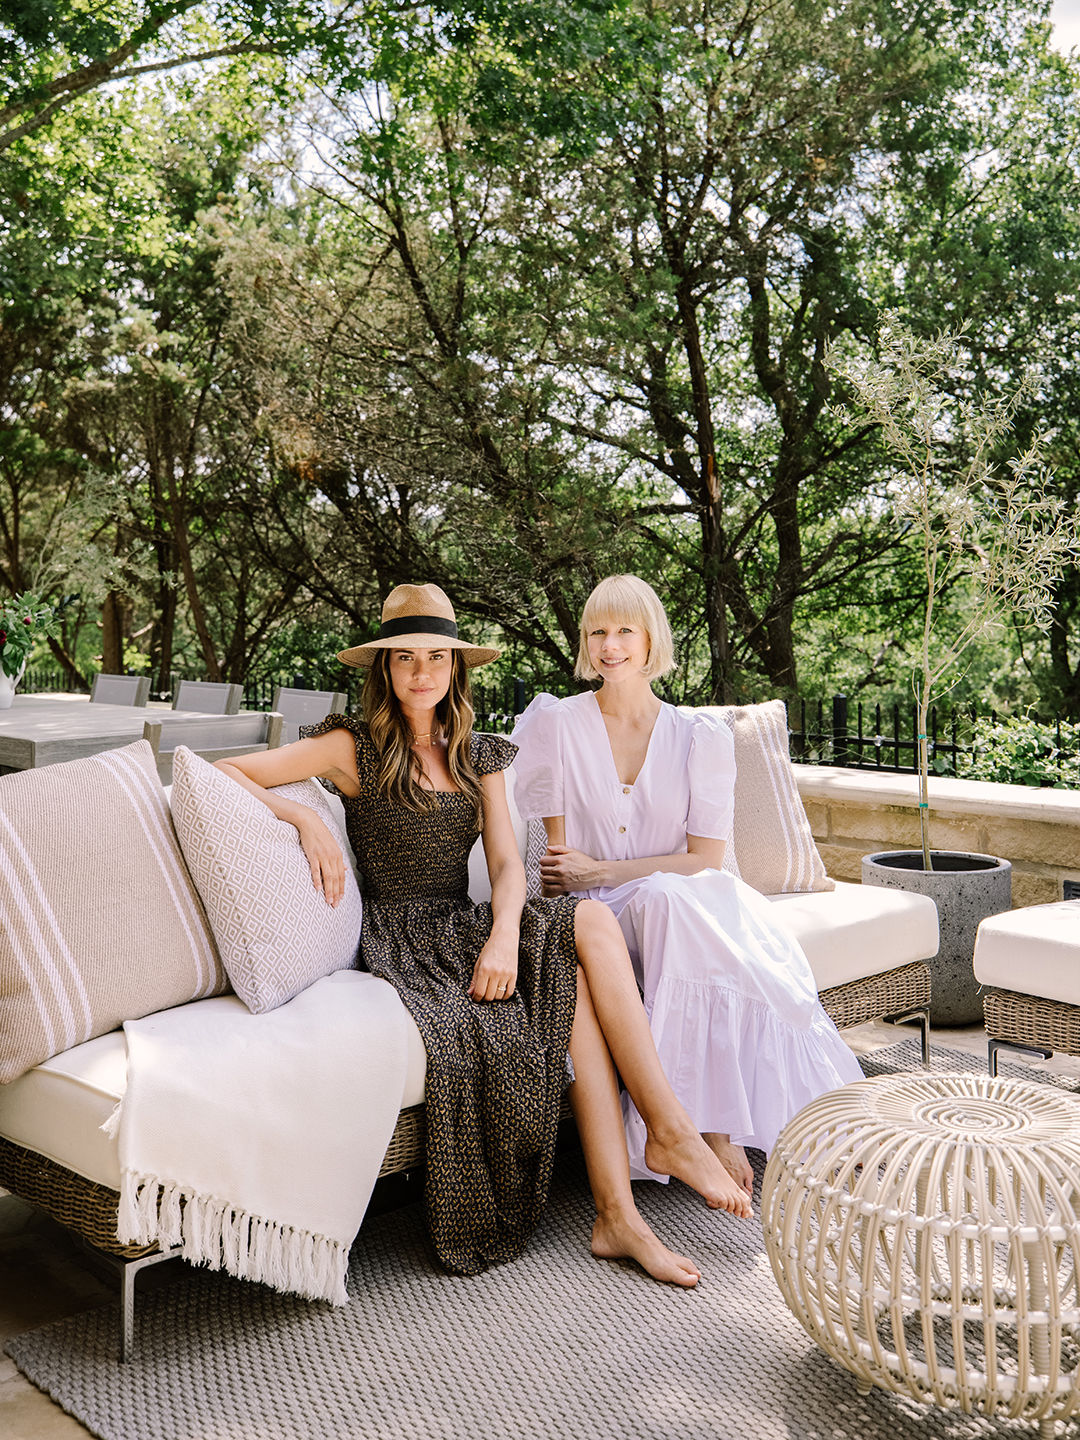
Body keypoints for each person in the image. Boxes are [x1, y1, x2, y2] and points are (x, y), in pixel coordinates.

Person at [215, 583, 751, 1290]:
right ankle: (635, 1183)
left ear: (456, 667)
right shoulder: (352, 746)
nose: (421, 672)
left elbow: (505, 862)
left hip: (472, 925)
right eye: (404, 657)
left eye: (437, 656)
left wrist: (504, 937)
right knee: (575, 980)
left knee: (585, 928)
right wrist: (304, 819)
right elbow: (220, 771)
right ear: (384, 667)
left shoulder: (481, 753)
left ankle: (640, 1177)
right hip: (406, 937)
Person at [511, 574, 864, 1194]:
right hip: (598, 915)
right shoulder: (556, 724)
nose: (610, 645)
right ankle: (706, 1133)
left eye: (625, 631)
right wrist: (592, 881)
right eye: (598, 631)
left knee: (680, 905)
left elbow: (705, 858)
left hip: (679, 897)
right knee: (669, 902)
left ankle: (722, 1128)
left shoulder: (699, 736)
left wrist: (610, 870)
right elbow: (563, 867)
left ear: (651, 641)